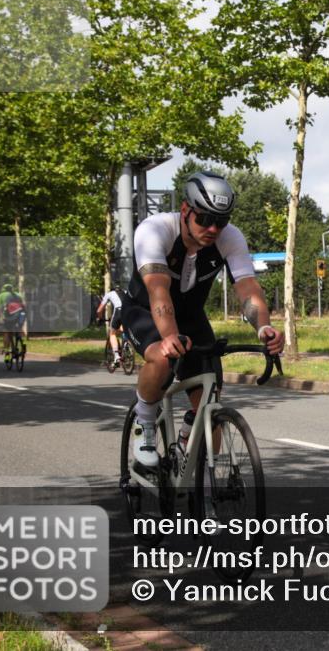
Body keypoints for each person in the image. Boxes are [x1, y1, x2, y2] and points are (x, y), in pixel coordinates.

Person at [122, 171, 284, 467]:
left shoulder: (229, 238)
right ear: (185, 210)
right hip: (145, 310)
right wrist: (169, 337)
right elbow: (159, 291)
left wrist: (263, 326)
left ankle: (209, 492)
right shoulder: (155, 230)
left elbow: (248, 289)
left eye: (221, 221)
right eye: (205, 219)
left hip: (192, 318)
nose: (213, 228)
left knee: (211, 407)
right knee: (160, 357)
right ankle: (144, 422)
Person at [0, 284, 26, 356]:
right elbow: (24, 306)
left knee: (7, 332)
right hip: (21, 314)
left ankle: (7, 353)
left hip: (9, 316)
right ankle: (21, 342)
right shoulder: (19, 294)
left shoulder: (1, 295)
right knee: (19, 329)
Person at [96, 285, 124, 366]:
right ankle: (127, 347)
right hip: (128, 312)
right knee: (124, 329)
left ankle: (116, 356)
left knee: (112, 333)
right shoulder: (125, 292)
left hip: (118, 311)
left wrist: (99, 318)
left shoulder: (110, 294)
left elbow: (99, 310)